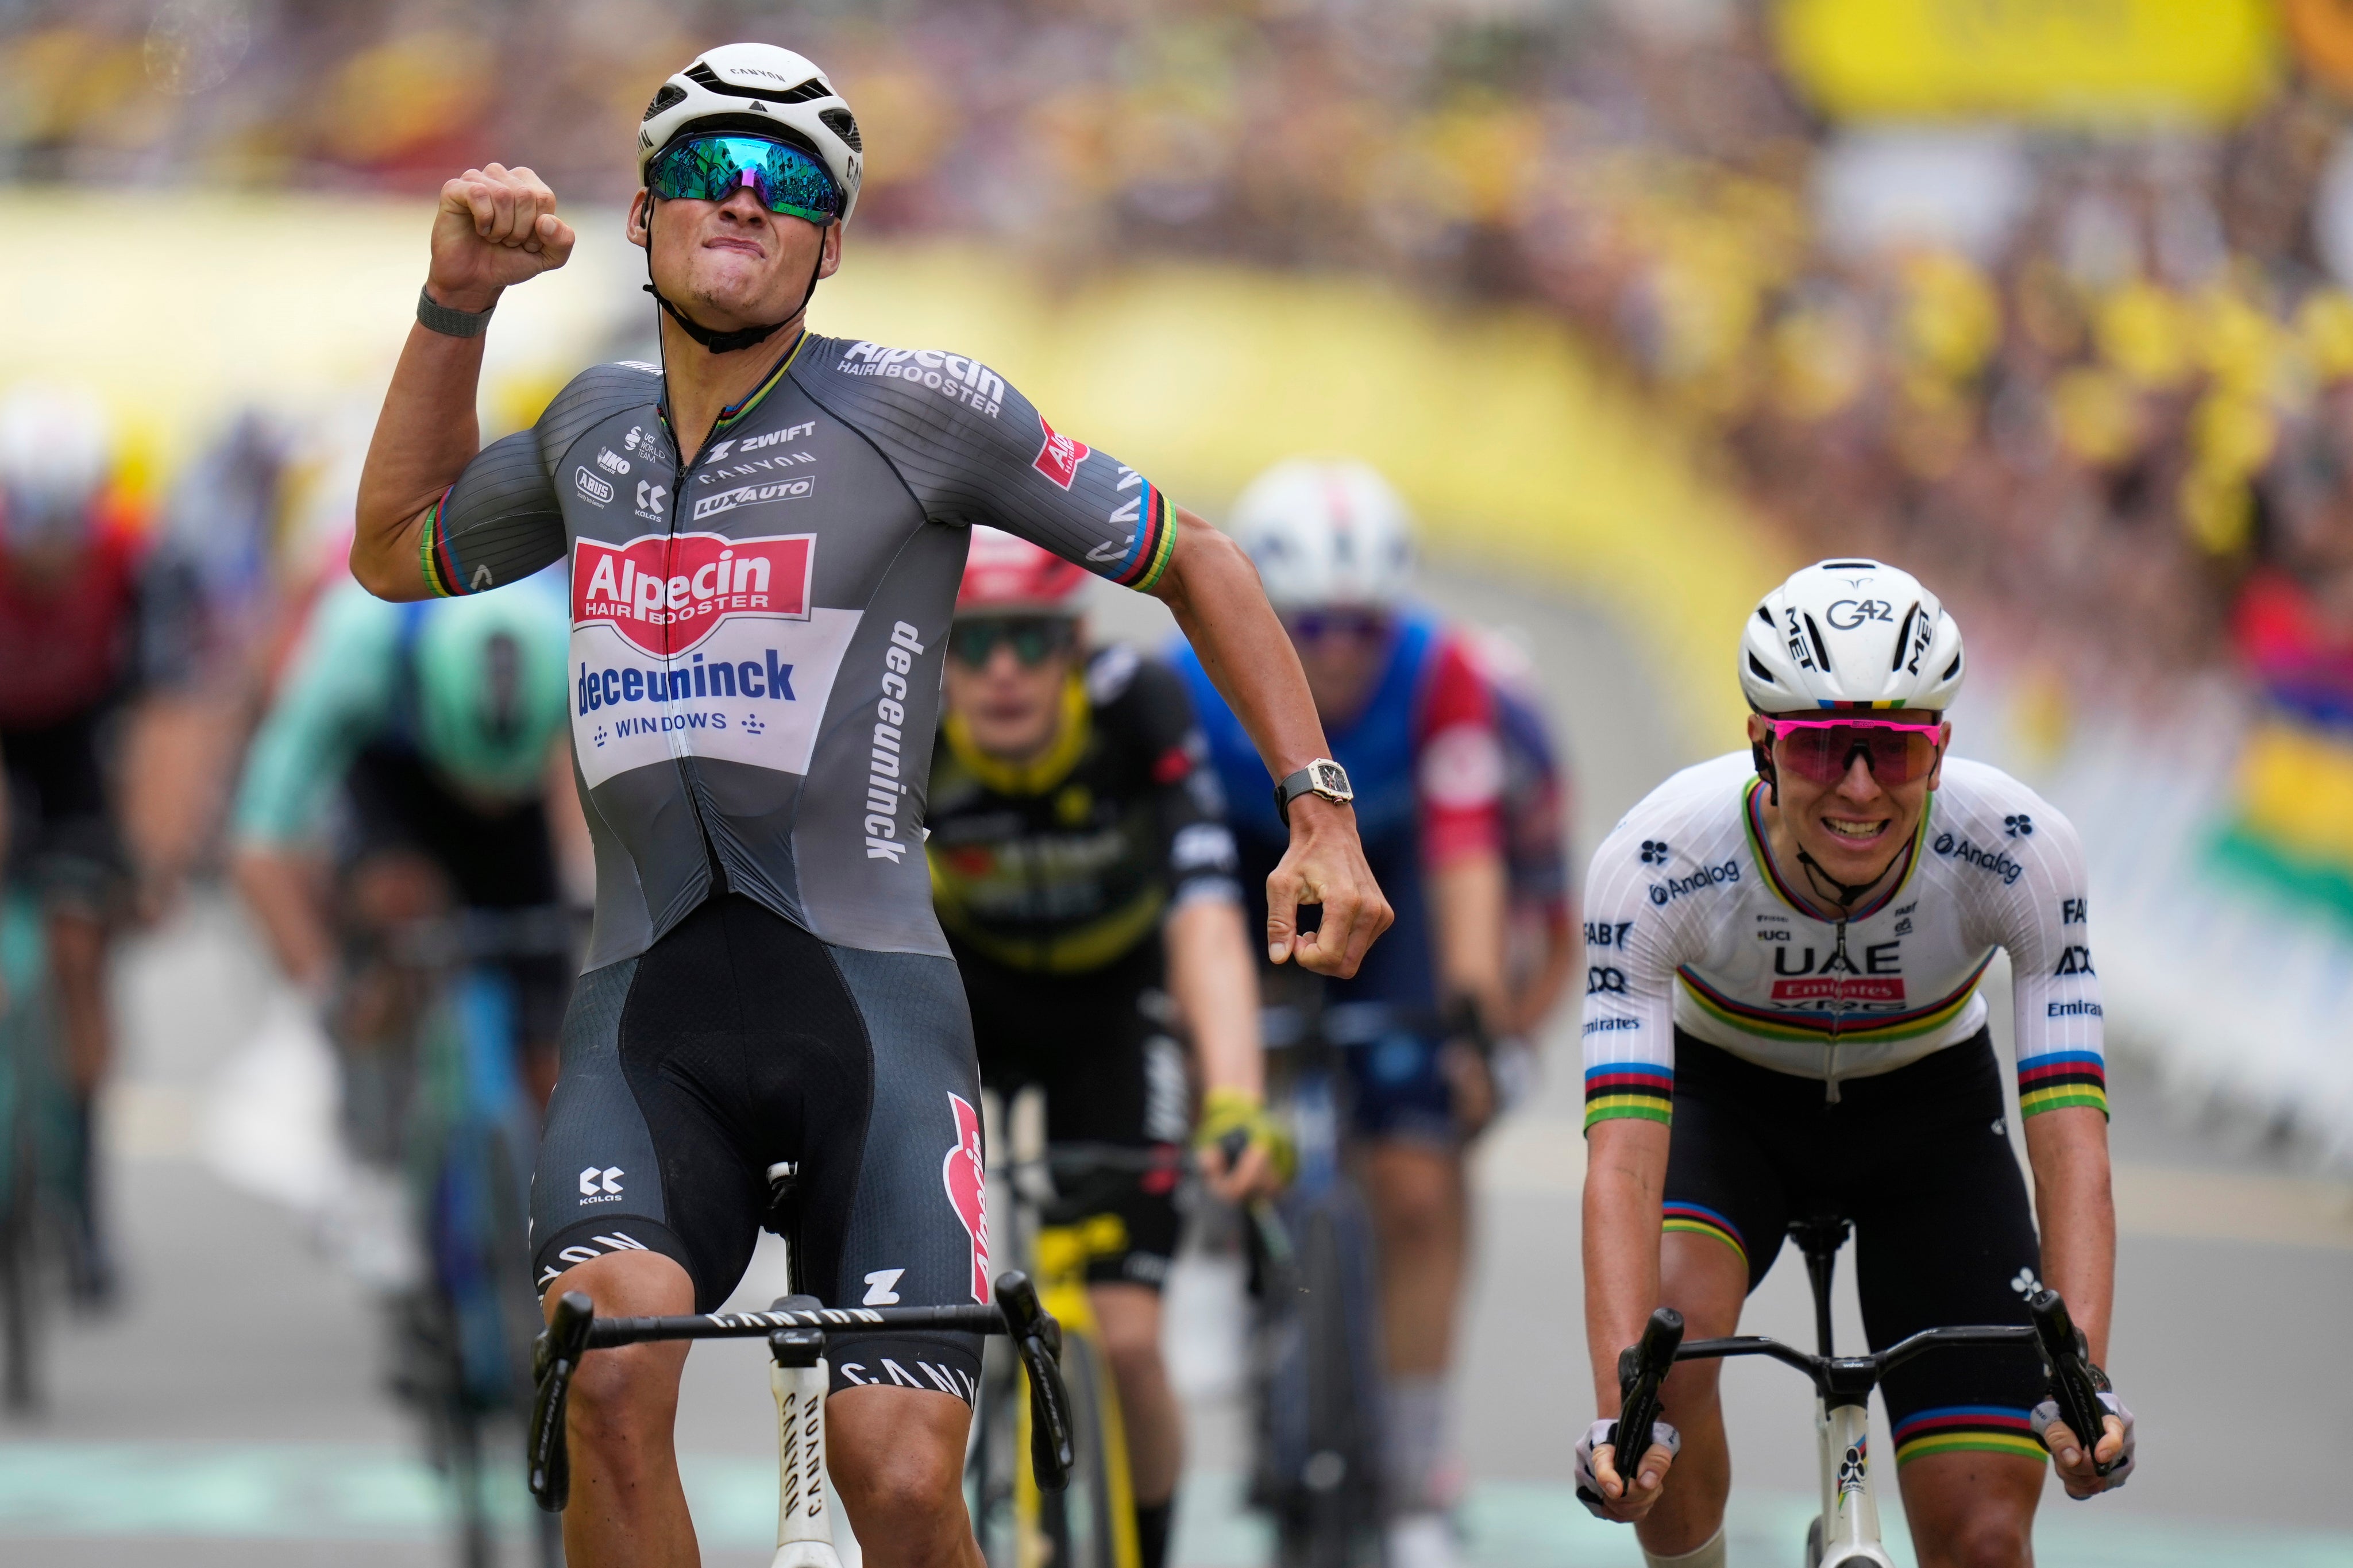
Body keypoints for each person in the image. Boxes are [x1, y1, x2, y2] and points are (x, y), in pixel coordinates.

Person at [343, 43, 1390, 1568]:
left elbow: (1199, 558)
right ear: (641, 215)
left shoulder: (923, 410)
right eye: (708, 170)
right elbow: (394, 550)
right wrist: (457, 301)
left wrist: (1318, 810)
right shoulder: (589, 432)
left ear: (834, 239)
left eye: (791, 184)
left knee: (900, 1479)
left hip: (872, 1022)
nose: (745, 201)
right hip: (648, 1028)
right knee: (603, 1370)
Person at [1576, 559, 2132, 1568]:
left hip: (1931, 1127)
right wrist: (1626, 1411)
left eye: (1896, 749)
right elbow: (1621, 1160)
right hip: (1725, 1107)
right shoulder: (1658, 860)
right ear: (1763, 746)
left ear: (1943, 747)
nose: (1863, 787)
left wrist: (2081, 1377)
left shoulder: (2020, 849)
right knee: (1672, 1345)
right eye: (1827, 749)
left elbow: (2069, 1134)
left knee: (1987, 1540)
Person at [1174, 457, 1523, 1568]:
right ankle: (1215, 1238)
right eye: (1308, 626)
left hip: (1392, 897)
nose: (1333, 651)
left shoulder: (1446, 674)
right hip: (1237, 880)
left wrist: (1472, 1018)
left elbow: (1469, 857)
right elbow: (1175, 899)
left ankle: (1419, 1473)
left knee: (1419, 1184)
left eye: (1361, 629)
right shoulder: (1187, 681)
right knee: (1210, 1055)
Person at [928, 526, 1287, 1568]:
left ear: (1076, 648)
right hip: (964, 1003)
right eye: (974, 643)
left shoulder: (1142, 710)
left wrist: (1234, 1098)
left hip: (1112, 1009)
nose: (1001, 672)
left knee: (1130, 1337)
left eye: (1030, 643)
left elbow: (1208, 919)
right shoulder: (900, 728)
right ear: (937, 655)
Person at [230, 573, 581, 1129]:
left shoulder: (579, 636)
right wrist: (322, 991)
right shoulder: (360, 643)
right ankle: (379, 1105)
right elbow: (262, 835)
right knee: (397, 897)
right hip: (394, 780)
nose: (482, 799)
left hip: (526, 810)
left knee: (552, 1042)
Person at [0, 384, 203, 1304]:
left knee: (83, 943)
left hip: (81, 741)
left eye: (63, 537)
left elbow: (167, 722)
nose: (46, 559)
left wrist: (151, 862)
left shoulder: (134, 557)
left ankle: (81, 1191)